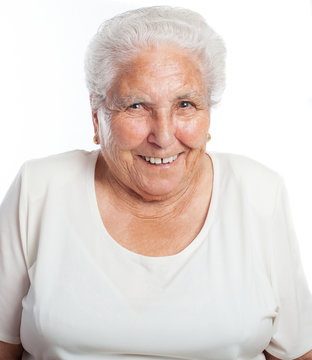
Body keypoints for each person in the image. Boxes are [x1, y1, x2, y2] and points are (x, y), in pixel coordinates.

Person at [0, 5, 311, 360]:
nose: (163, 136)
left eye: (185, 104)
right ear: (95, 115)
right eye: (136, 106)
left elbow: (296, 353)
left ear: (208, 113)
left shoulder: (258, 194)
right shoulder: (39, 190)